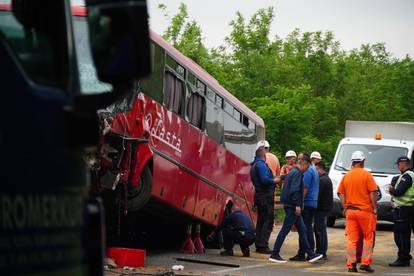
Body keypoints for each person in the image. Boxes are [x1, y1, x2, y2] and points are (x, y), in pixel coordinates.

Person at [269, 155, 323, 263]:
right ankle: (274, 254)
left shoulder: (293, 172)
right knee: (285, 230)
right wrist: (297, 205)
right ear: (305, 164)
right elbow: (294, 190)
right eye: (307, 167)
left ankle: (311, 254)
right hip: (292, 206)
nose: (307, 170)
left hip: (290, 205)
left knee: (303, 230)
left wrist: (280, 178)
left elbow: (286, 179)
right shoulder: (297, 173)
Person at [337, 151, 377, 273]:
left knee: (352, 240)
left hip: (350, 211)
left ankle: (351, 265)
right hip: (365, 211)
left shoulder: (346, 176)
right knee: (368, 238)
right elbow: (373, 192)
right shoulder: (367, 175)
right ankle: (365, 263)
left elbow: (340, 193)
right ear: (363, 162)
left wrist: (345, 206)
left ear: (352, 162)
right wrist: (374, 208)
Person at [290, 152, 319, 261]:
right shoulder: (314, 170)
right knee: (307, 228)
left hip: (306, 203)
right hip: (312, 202)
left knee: (304, 229)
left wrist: (299, 203)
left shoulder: (308, 171)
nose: (298, 162)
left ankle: (305, 253)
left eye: (300, 160)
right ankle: (307, 252)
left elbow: (304, 189)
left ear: (305, 161)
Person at [250, 146, 279, 254]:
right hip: (265, 195)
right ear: (263, 154)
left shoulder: (254, 165)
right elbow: (264, 180)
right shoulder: (261, 165)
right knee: (267, 220)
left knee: (261, 221)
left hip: (259, 195)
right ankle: (263, 245)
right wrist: (274, 180)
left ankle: (259, 244)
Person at [388, 156, 414, 267]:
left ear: (404, 163)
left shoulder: (407, 176)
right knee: (402, 234)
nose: (398, 167)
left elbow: (399, 192)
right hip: (404, 209)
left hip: (404, 209)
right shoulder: (407, 175)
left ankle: (403, 258)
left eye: (398, 164)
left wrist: (391, 189)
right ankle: (404, 256)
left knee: (401, 235)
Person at [314, 161, 333, 260]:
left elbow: (318, 195)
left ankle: (321, 252)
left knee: (320, 230)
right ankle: (321, 251)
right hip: (324, 208)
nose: (315, 171)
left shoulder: (323, 180)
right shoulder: (325, 179)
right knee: (320, 230)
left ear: (321, 169)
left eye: (316, 169)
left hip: (321, 209)